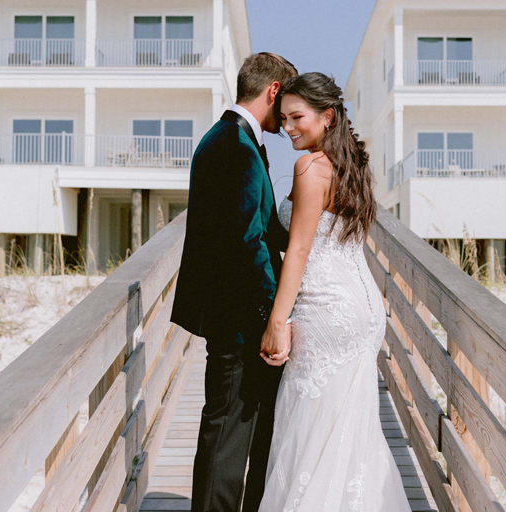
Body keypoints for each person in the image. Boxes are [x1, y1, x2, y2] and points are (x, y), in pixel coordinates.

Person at [257, 72, 411, 511]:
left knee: (311, 425)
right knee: (349, 427)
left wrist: (276, 323)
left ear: (327, 116)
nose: (288, 127)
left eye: (297, 117)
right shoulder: (351, 166)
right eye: (283, 118)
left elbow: (300, 249)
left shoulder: (309, 167)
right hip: (361, 310)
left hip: (326, 311)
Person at [170, 52, 297, 512]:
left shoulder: (225, 138)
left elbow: (253, 225)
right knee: (226, 436)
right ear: (273, 92)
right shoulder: (235, 147)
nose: (286, 120)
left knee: (239, 429)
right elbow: (248, 244)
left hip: (233, 313)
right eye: (286, 106)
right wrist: (273, 316)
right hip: (239, 319)